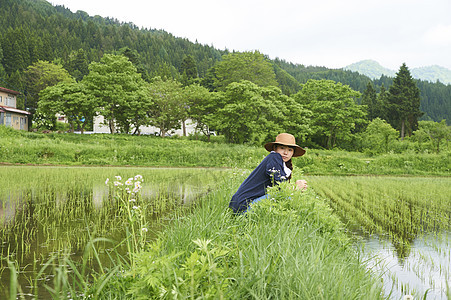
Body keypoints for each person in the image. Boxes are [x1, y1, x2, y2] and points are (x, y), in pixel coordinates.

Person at [229, 133, 308, 214]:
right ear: (275, 148)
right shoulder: (274, 157)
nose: (286, 153)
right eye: (282, 148)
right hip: (245, 207)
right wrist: (296, 187)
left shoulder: (279, 163)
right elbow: (281, 188)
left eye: (290, 150)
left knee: (285, 196)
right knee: (286, 196)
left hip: (240, 207)